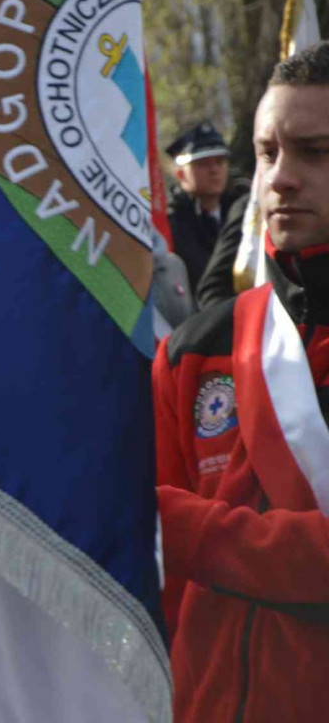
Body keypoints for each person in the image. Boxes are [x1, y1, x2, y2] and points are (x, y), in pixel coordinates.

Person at [155, 41, 329, 722]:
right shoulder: (195, 350)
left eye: (315, 152)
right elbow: (153, 592)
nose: (279, 178)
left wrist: (180, 528)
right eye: (266, 153)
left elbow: (161, 522)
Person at [165, 121, 247, 297]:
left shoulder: (243, 209)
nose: (214, 170)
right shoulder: (172, 222)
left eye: (220, 162)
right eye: (202, 164)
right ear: (181, 174)